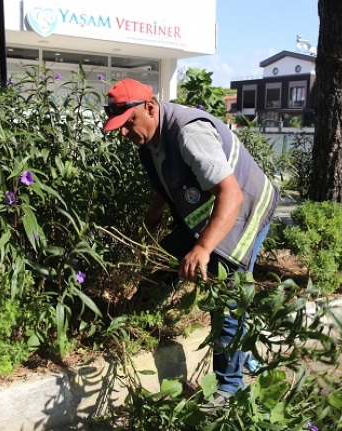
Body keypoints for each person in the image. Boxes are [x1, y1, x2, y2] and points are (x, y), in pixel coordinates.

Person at [102, 78, 279, 409]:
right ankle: (135, 319)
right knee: (167, 260)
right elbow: (168, 177)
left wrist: (202, 248)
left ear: (150, 107)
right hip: (212, 208)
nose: (124, 135)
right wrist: (154, 213)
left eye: (127, 125)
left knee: (228, 297)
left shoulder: (189, 133)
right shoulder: (150, 137)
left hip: (245, 208)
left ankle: (229, 389)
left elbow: (231, 194)